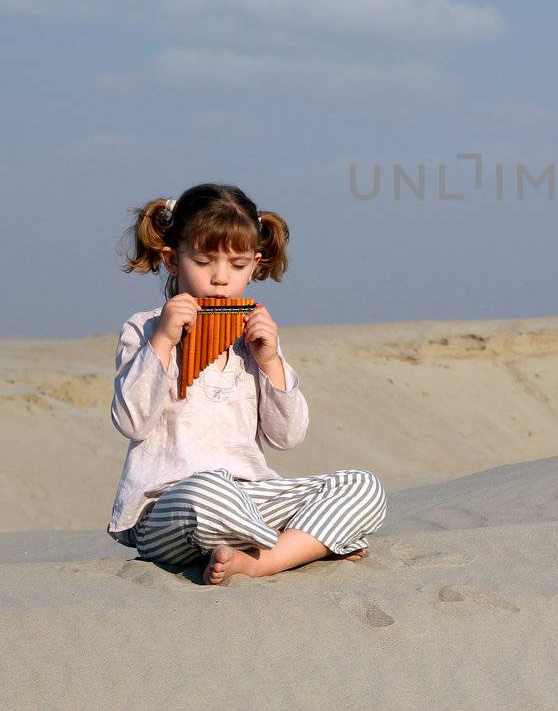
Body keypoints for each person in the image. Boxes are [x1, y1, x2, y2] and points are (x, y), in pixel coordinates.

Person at [106, 182, 387, 585]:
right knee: (210, 493)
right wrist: (165, 342)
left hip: (251, 495)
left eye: (237, 266)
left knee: (363, 486)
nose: (221, 279)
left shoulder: (252, 336)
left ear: (255, 264)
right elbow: (132, 423)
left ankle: (258, 560)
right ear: (172, 260)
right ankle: (304, 546)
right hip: (172, 506)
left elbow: (287, 437)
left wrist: (269, 360)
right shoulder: (144, 329)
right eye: (204, 262)